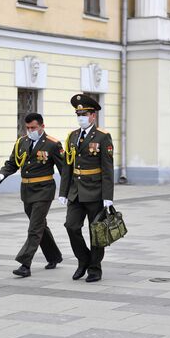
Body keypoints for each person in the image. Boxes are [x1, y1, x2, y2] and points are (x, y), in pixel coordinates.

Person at [0, 113, 64, 278]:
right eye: (28, 128)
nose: (30, 130)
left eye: (33, 127)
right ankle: (54, 256)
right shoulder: (22, 142)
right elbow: (12, 163)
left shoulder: (53, 144)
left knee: (34, 228)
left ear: (42, 126)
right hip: (26, 190)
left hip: (44, 190)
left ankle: (25, 264)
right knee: (40, 226)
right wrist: (2, 174)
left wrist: (66, 192)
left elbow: (65, 169)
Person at [58, 94, 114, 283]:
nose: (80, 117)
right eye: (78, 114)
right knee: (71, 226)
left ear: (93, 116)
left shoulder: (103, 137)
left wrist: (108, 196)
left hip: (95, 191)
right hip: (75, 192)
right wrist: (63, 192)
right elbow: (68, 166)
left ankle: (94, 268)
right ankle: (83, 260)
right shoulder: (72, 136)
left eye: (84, 114)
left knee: (95, 231)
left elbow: (107, 169)